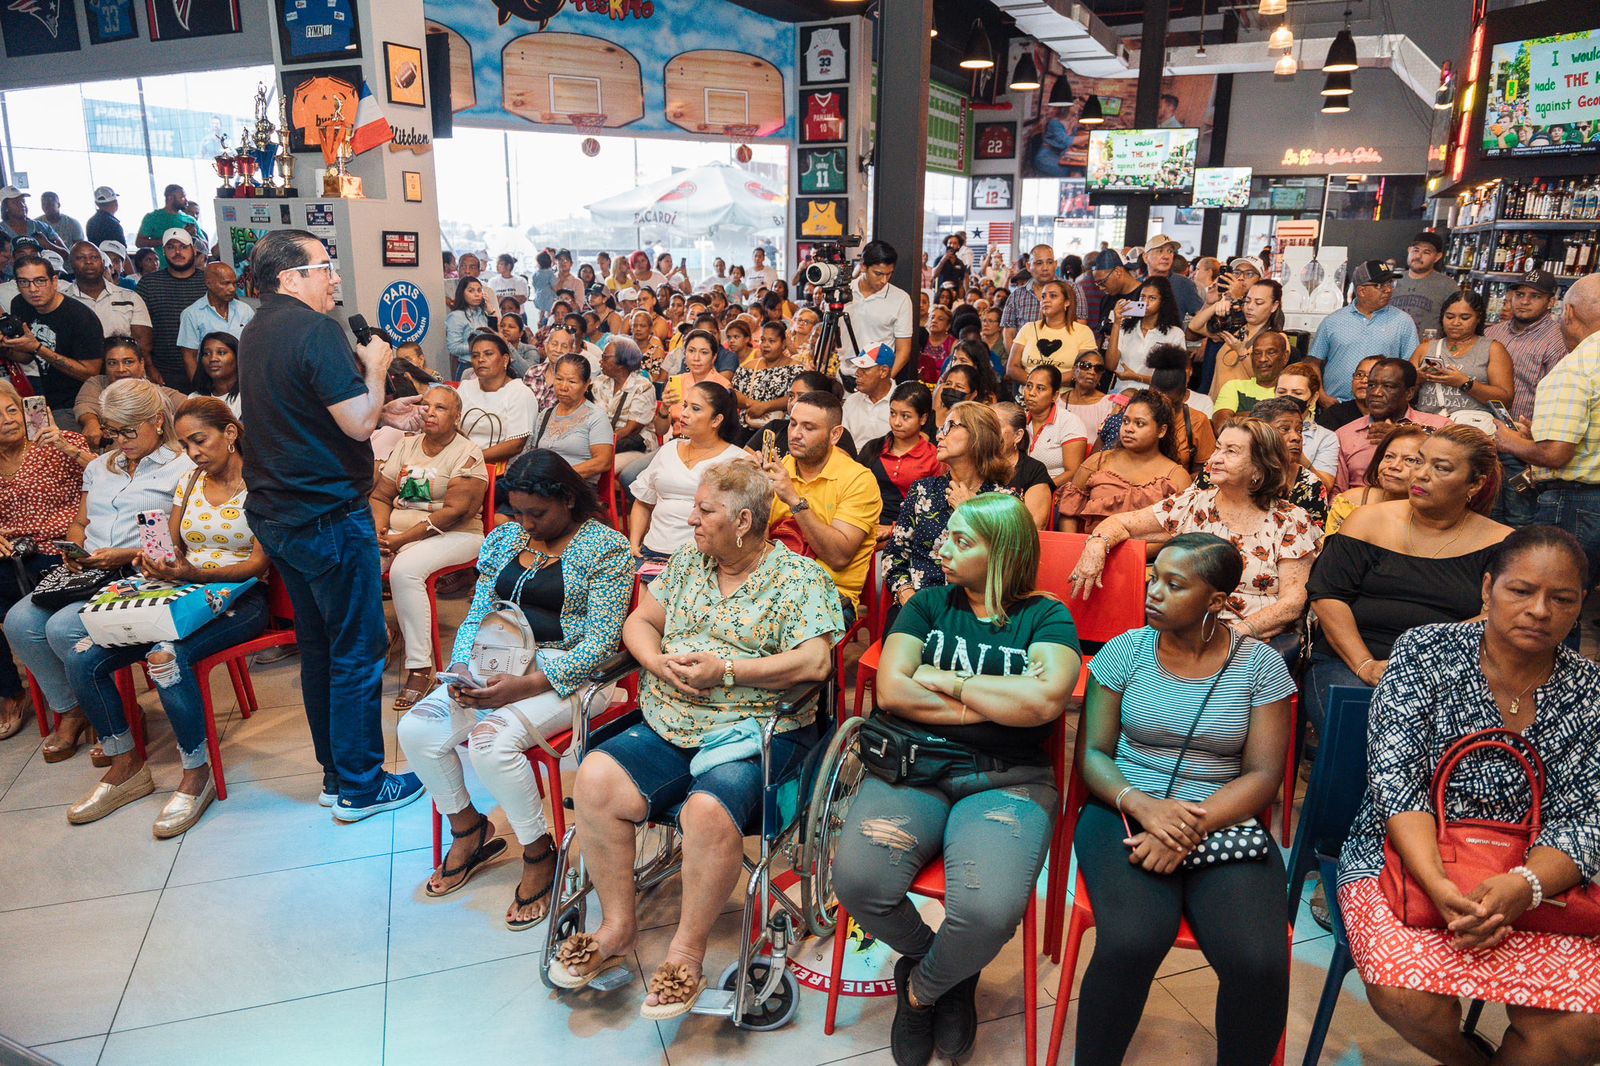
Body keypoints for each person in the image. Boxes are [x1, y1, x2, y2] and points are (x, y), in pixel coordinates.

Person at [549, 461, 843, 1014]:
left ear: (744, 521)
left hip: (752, 729)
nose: (690, 518)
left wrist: (726, 671)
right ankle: (616, 929)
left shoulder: (800, 579)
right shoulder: (688, 563)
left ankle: (686, 951)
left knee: (707, 811)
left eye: (705, 510)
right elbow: (640, 621)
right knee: (594, 778)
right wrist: (655, 661)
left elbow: (815, 661)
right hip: (670, 720)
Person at [1336, 528, 1600, 1066]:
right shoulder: (1424, 651)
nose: (1540, 610)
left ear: (1582, 607)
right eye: (1521, 590)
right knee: (1404, 993)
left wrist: (1522, 887)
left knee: (1582, 1024)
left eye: (1562, 599)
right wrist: (1437, 884)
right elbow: (1397, 783)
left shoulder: (1591, 689)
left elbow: (1585, 816)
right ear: (1487, 588)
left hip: (1538, 873)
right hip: (1407, 855)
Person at [834, 492, 1081, 1066]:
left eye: (962, 540)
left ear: (1003, 553)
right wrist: (996, 705)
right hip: (913, 765)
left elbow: (1046, 701)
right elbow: (893, 690)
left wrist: (947, 682)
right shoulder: (926, 604)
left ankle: (921, 991)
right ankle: (945, 968)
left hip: (1009, 778)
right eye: (947, 534)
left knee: (989, 913)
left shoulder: (1046, 616)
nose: (942, 547)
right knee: (859, 884)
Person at [1073, 533, 1294, 1066]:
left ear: (1217, 601)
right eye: (1154, 579)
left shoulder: (1260, 666)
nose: (1154, 593)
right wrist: (1146, 809)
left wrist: (1187, 825)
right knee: (1132, 942)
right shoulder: (1124, 652)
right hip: (1122, 811)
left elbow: (1265, 776)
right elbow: (1094, 757)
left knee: (1258, 962)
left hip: (1223, 817)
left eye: (1174, 585)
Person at [399, 449, 632, 928]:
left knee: (490, 745)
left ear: (568, 499)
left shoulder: (605, 548)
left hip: (571, 674)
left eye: (536, 513)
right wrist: (463, 667)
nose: (525, 523)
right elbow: (479, 611)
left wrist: (523, 686)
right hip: (497, 664)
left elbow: (601, 643)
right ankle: (469, 828)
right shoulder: (505, 538)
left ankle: (539, 850)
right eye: (518, 511)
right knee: (416, 729)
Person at [237, 229, 423, 818]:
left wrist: (379, 406)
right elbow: (356, 426)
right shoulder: (315, 328)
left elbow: (306, 409)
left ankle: (335, 776)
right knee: (358, 649)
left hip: (278, 514)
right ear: (291, 278)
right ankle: (364, 786)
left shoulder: (257, 329)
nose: (336, 277)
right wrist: (376, 368)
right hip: (325, 515)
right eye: (325, 266)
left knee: (321, 647)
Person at [64, 397, 269, 835]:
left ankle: (197, 772)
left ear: (230, 434)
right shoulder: (191, 481)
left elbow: (258, 564)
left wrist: (196, 571)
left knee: (166, 657)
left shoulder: (262, 484)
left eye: (200, 440)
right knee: (83, 654)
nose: (193, 452)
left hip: (242, 598)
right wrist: (155, 563)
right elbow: (171, 545)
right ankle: (126, 767)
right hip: (182, 591)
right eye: (187, 443)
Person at [6, 379, 193, 763]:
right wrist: (73, 551)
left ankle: (117, 713)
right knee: (19, 621)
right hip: (89, 570)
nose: (120, 440)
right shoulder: (103, 466)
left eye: (129, 430)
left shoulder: (181, 467)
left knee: (62, 627)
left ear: (158, 421)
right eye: (112, 431)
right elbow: (80, 522)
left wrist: (120, 556)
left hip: (139, 572)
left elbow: (174, 545)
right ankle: (74, 707)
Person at [1305, 424, 1508, 735]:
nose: (1421, 475)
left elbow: (1494, 616)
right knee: (1362, 727)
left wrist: (1417, 664)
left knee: (1436, 732)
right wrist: (1365, 665)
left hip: (1446, 671)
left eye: (1440, 468)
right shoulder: (1366, 522)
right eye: (1419, 461)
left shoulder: (1501, 543)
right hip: (1352, 661)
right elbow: (1328, 595)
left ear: (1475, 483)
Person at [1071, 419, 1320, 649]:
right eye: (1217, 448)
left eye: (1231, 452)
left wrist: (1233, 635)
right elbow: (1120, 523)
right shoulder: (1192, 504)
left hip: (1253, 640)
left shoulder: (1290, 521)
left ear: (1259, 469)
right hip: (1183, 633)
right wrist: (1096, 545)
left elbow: (1293, 602)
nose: (1215, 459)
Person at [372, 385, 490, 710]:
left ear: (456, 416)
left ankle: (421, 668)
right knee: (357, 560)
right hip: (399, 531)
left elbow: (455, 512)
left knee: (405, 570)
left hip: (456, 535)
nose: (430, 413)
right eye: (426, 407)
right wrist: (379, 533)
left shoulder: (467, 452)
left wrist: (401, 540)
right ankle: (379, 637)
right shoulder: (406, 445)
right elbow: (381, 495)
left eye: (440, 408)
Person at [1493, 272, 1600, 578]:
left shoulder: (1576, 367)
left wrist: (1510, 440)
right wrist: (1535, 437)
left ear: (1566, 311)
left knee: (1557, 599)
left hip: (1578, 503)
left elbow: (1555, 454)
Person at [0, 381, 87, 740]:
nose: (7, 419)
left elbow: (110, 481)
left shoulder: (60, 443)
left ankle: (81, 701)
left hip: (60, 551)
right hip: (10, 558)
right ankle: (10, 693)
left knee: (46, 616)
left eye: (11, 409)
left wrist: (69, 448)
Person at [762, 390, 881, 616]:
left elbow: (838, 557)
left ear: (835, 435)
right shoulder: (781, 467)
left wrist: (794, 500)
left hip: (828, 596)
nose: (796, 434)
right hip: (772, 585)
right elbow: (757, 544)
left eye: (809, 428)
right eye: (793, 424)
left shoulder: (858, 480)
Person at [884, 402, 1012, 608]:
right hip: (918, 604)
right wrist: (906, 593)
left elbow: (1007, 565)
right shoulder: (923, 491)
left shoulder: (1004, 500)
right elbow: (894, 555)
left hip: (976, 610)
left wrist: (969, 512)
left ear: (978, 435)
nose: (939, 436)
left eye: (951, 426)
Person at [629, 381, 745, 566]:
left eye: (696, 409)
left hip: (704, 562)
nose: (684, 414)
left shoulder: (737, 460)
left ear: (716, 420)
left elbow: (747, 522)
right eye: (685, 406)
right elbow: (643, 501)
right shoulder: (668, 450)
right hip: (651, 554)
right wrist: (634, 544)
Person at [1487, 269, 1569, 525]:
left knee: (1519, 517)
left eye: (1535, 296)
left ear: (1551, 302)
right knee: (1485, 511)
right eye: (1519, 294)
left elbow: (1558, 394)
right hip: (1486, 435)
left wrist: (1532, 437)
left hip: (1524, 443)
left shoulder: (1557, 340)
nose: (1524, 301)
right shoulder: (1492, 333)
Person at [1060, 390, 1191, 535]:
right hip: (1089, 550)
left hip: (1149, 556)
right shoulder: (1098, 461)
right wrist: (1077, 547)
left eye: (1139, 424)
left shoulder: (1176, 477)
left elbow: (1177, 532)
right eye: (1125, 421)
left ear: (1161, 431)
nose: (1128, 429)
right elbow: (1068, 513)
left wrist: (1134, 552)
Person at [3, 254, 105, 421]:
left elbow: (90, 374)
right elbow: (27, 357)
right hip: (45, 397)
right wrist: (5, 347)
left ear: (54, 281)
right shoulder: (21, 304)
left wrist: (38, 348)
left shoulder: (80, 317)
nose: (33, 289)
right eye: (24, 282)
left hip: (82, 404)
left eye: (40, 281)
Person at [1308, 261, 1421, 402]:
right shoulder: (1333, 321)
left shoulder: (1403, 321)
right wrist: (1322, 397)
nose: (1388, 290)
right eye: (1380, 285)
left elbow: (1411, 368)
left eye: (1390, 283)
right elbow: (1313, 363)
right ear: (1361, 291)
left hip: (1383, 406)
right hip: (1336, 405)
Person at [1334, 358, 1450, 490]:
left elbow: (1447, 476)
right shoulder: (1344, 434)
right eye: (1371, 385)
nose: (1376, 393)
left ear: (1409, 393)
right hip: (1358, 506)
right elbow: (1337, 493)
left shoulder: (1441, 426)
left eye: (1388, 386)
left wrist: (1399, 435)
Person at [1410, 289, 1513, 422]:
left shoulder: (1493, 349)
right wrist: (1417, 379)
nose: (1455, 323)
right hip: (1426, 424)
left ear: (1478, 318)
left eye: (1465, 318)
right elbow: (1402, 391)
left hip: (1470, 429)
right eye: (1449, 317)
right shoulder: (1425, 348)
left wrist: (1465, 383)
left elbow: (1505, 400)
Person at [75, 335, 186, 448]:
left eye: (128, 362)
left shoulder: (157, 392)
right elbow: (85, 404)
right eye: (112, 363)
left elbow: (191, 407)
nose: (121, 369)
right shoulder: (97, 383)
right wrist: (91, 423)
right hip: (108, 457)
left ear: (141, 363)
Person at [861, 382, 942, 529]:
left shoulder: (934, 458)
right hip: (862, 524)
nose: (896, 422)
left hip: (906, 535)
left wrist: (893, 529)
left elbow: (934, 512)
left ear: (923, 418)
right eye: (892, 413)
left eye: (906, 416)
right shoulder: (873, 448)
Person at [135, 229, 207, 391]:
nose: (177, 252)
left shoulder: (208, 281)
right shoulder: (149, 284)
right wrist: (149, 367)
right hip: (165, 372)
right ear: (163, 252)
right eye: (170, 247)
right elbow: (140, 332)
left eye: (183, 247)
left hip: (208, 368)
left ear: (193, 250)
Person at [1326, 423, 1427, 536]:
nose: (1394, 465)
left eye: (1410, 460)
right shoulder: (1351, 501)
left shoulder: (1432, 514)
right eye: (1389, 456)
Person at [1194, 280, 1285, 401]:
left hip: (1244, 411)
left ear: (1274, 306)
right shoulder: (1234, 329)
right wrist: (1217, 305)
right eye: (1247, 301)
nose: (1250, 307)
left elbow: (1266, 379)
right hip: (1216, 406)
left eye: (1258, 303)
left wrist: (1241, 352)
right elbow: (1195, 326)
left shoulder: (1277, 339)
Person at [64, 241, 152, 364]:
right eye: (81, 258)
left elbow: (143, 344)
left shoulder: (129, 297)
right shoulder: (62, 300)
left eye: (94, 257)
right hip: (77, 371)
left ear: (103, 263)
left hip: (123, 371)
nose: (88, 262)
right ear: (71, 264)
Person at [457, 330, 535, 468]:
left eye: (488, 354)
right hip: (461, 460)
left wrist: (474, 458)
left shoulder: (520, 392)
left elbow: (516, 445)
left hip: (503, 472)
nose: (480, 359)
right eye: (475, 355)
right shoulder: (465, 388)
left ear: (505, 360)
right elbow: (453, 426)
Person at [1247, 397, 1330, 525]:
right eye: (1285, 429)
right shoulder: (1229, 469)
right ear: (1258, 433)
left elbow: (1317, 540)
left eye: (1299, 430)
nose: (1296, 437)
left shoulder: (1310, 484)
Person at [743, 371, 857, 461]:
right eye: (791, 396)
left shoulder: (837, 435)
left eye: (802, 397)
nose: (793, 403)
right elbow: (745, 457)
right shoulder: (775, 427)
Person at [844, 241, 916, 380]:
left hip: (878, 379)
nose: (884, 280)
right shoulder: (842, 292)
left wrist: (885, 381)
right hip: (842, 375)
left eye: (889, 274)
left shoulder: (901, 299)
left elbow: (904, 350)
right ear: (863, 266)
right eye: (878, 274)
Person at [175, 263, 253, 388]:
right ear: (209, 283)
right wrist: (199, 389)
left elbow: (253, 348)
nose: (232, 289)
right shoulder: (192, 314)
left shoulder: (245, 310)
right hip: (211, 382)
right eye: (225, 283)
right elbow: (189, 356)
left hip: (243, 380)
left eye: (234, 283)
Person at [1006, 279, 1097, 386]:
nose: (1046, 300)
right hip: (1029, 395)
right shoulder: (1028, 328)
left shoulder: (1083, 332)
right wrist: (1035, 385)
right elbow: (1012, 367)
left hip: (1065, 397)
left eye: (1053, 296)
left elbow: (1084, 369)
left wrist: (1047, 385)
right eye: (1043, 296)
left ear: (1067, 302)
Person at [1105, 276, 1188, 391]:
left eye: (1152, 298)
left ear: (1163, 302)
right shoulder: (1125, 327)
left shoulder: (1175, 334)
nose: (1145, 303)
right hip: (1121, 391)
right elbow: (1110, 365)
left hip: (1155, 394)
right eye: (1142, 297)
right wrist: (1116, 324)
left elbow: (1174, 379)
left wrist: (1136, 377)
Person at [594, 336, 656, 487]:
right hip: (603, 443)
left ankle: (594, 502)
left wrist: (602, 443)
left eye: (605, 357)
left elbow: (631, 429)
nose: (600, 361)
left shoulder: (642, 386)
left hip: (634, 446)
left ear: (622, 363)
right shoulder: (600, 382)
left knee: (596, 466)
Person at [1147, 344, 1217, 476]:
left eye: (1172, 404)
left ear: (1183, 396)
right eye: (1158, 402)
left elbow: (1205, 469)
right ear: (1150, 391)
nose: (1165, 409)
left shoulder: (1197, 422)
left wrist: (1178, 485)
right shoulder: (1136, 414)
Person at [1018, 365, 1089, 488]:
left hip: (1054, 490)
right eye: (1029, 386)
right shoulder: (1020, 420)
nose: (1031, 393)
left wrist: (1040, 490)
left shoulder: (1069, 423)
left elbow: (1073, 472)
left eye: (1040, 388)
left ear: (1055, 396)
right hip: (1021, 487)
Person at [994, 402, 1056, 530]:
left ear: (1017, 436)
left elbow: (1034, 528)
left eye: (996, 426)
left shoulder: (1034, 471)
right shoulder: (974, 463)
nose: (988, 432)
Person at [732, 320, 803, 430]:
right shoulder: (748, 367)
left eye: (772, 341)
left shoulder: (796, 369)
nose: (765, 345)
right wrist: (752, 404)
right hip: (747, 428)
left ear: (783, 344)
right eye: (763, 340)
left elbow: (797, 397)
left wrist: (765, 407)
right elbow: (734, 393)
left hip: (780, 430)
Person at [1388, 231, 1460, 338]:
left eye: (1426, 252)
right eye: (1415, 250)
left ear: (1437, 257)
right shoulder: (1390, 281)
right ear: (1409, 250)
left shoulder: (1448, 286)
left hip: (1426, 350)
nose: (1418, 256)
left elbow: (1456, 322)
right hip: (1389, 348)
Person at [1214, 329, 1291, 428]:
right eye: (1257, 353)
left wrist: (1238, 416)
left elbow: (1294, 427)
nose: (1263, 359)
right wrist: (1273, 421)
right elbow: (1221, 426)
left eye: (1271, 353)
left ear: (1285, 357)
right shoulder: (1234, 387)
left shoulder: (1293, 392)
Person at [999, 244, 1058, 354]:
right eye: (1039, 263)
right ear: (1028, 266)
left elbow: (1079, 329)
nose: (1045, 268)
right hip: (1023, 364)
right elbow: (1008, 334)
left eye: (1049, 262)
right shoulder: (1016, 295)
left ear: (1056, 264)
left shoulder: (1072, 291)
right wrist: (1018, 363)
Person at [1139, 233, 1205, 321]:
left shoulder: (1183, 284)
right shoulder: (1137, 284)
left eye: (1170, 251)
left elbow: (1201, 317)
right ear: (1146, 257)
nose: (1166, 256)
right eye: (1160, 251)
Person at [842, 342, 896, 445]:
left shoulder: (902, 402)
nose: (857, 373)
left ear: (883, 371)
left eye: (865, 369)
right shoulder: (851, 401)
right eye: (857, 368)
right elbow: (843, 444)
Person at [446, 277, 495, 380]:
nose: (476, 294)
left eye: (479, 290)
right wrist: (477, 347)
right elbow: (453, 347)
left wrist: (491, 313)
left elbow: (495, 338)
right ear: (462, 293)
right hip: (468, 366)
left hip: (488, 364)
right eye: (471, 291)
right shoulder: (456, 316)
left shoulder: (483, 313)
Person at [134, 185, 197, 265]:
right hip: (163, 269)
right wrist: (176, 237)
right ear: (170, 198)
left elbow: (204, 245)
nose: (186, 201)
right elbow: (139, 242)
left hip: (187, 268)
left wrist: (195, 237)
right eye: (182, 197)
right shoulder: (153, 218)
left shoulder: (190, 220)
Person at [1317, 354, 1382, 432]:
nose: (1364, 380)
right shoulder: (1334, 414)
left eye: (1371, 376)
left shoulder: (1395, 416)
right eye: (1359, 375)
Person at [1062, 349, 1117, 440]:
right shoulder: (1058, 401)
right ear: (1074, 370)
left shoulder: (1109, 404)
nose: (1092, 372)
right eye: (1086, 366)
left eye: (1098, 369)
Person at [0, 187, 66, 258]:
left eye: (23, 201)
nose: (22, 205)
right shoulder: (2, 230)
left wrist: (48, 244)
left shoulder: (41, 227)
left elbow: (66, 254)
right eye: (15, 202)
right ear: (5, 208)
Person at [191, 331, 243, 417]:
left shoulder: (248, 396)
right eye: (206, 353)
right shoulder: (194, 399)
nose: (213, 359)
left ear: (237, 356)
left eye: (221, 353)